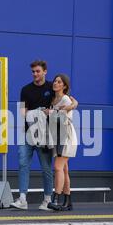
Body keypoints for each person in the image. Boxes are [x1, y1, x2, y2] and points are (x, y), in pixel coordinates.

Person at [10, 60, 78, 210]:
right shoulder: (25, 90)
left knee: (47, 168)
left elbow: (67, 101)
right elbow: (22, 112)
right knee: (22, 163)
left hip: (46, 136)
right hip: (28, 133)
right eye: (33, 71)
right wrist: (37, 113)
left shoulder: (52, 87)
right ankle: (22, 199)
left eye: (38, 71)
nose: (35, 74)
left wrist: (73, 105)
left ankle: (48, 200)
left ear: (45, 71)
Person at [46, 74, 77, 211]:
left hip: (66, 135)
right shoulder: (53, 100)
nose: (55, 83)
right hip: (57, 136)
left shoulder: (65, 98)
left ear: (64, 86)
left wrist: (50, 112)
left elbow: (62, 116)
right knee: (64, 169)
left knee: (58, 167)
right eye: (55, 81)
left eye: (59, 82)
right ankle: (68, 201)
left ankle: (56, 199)